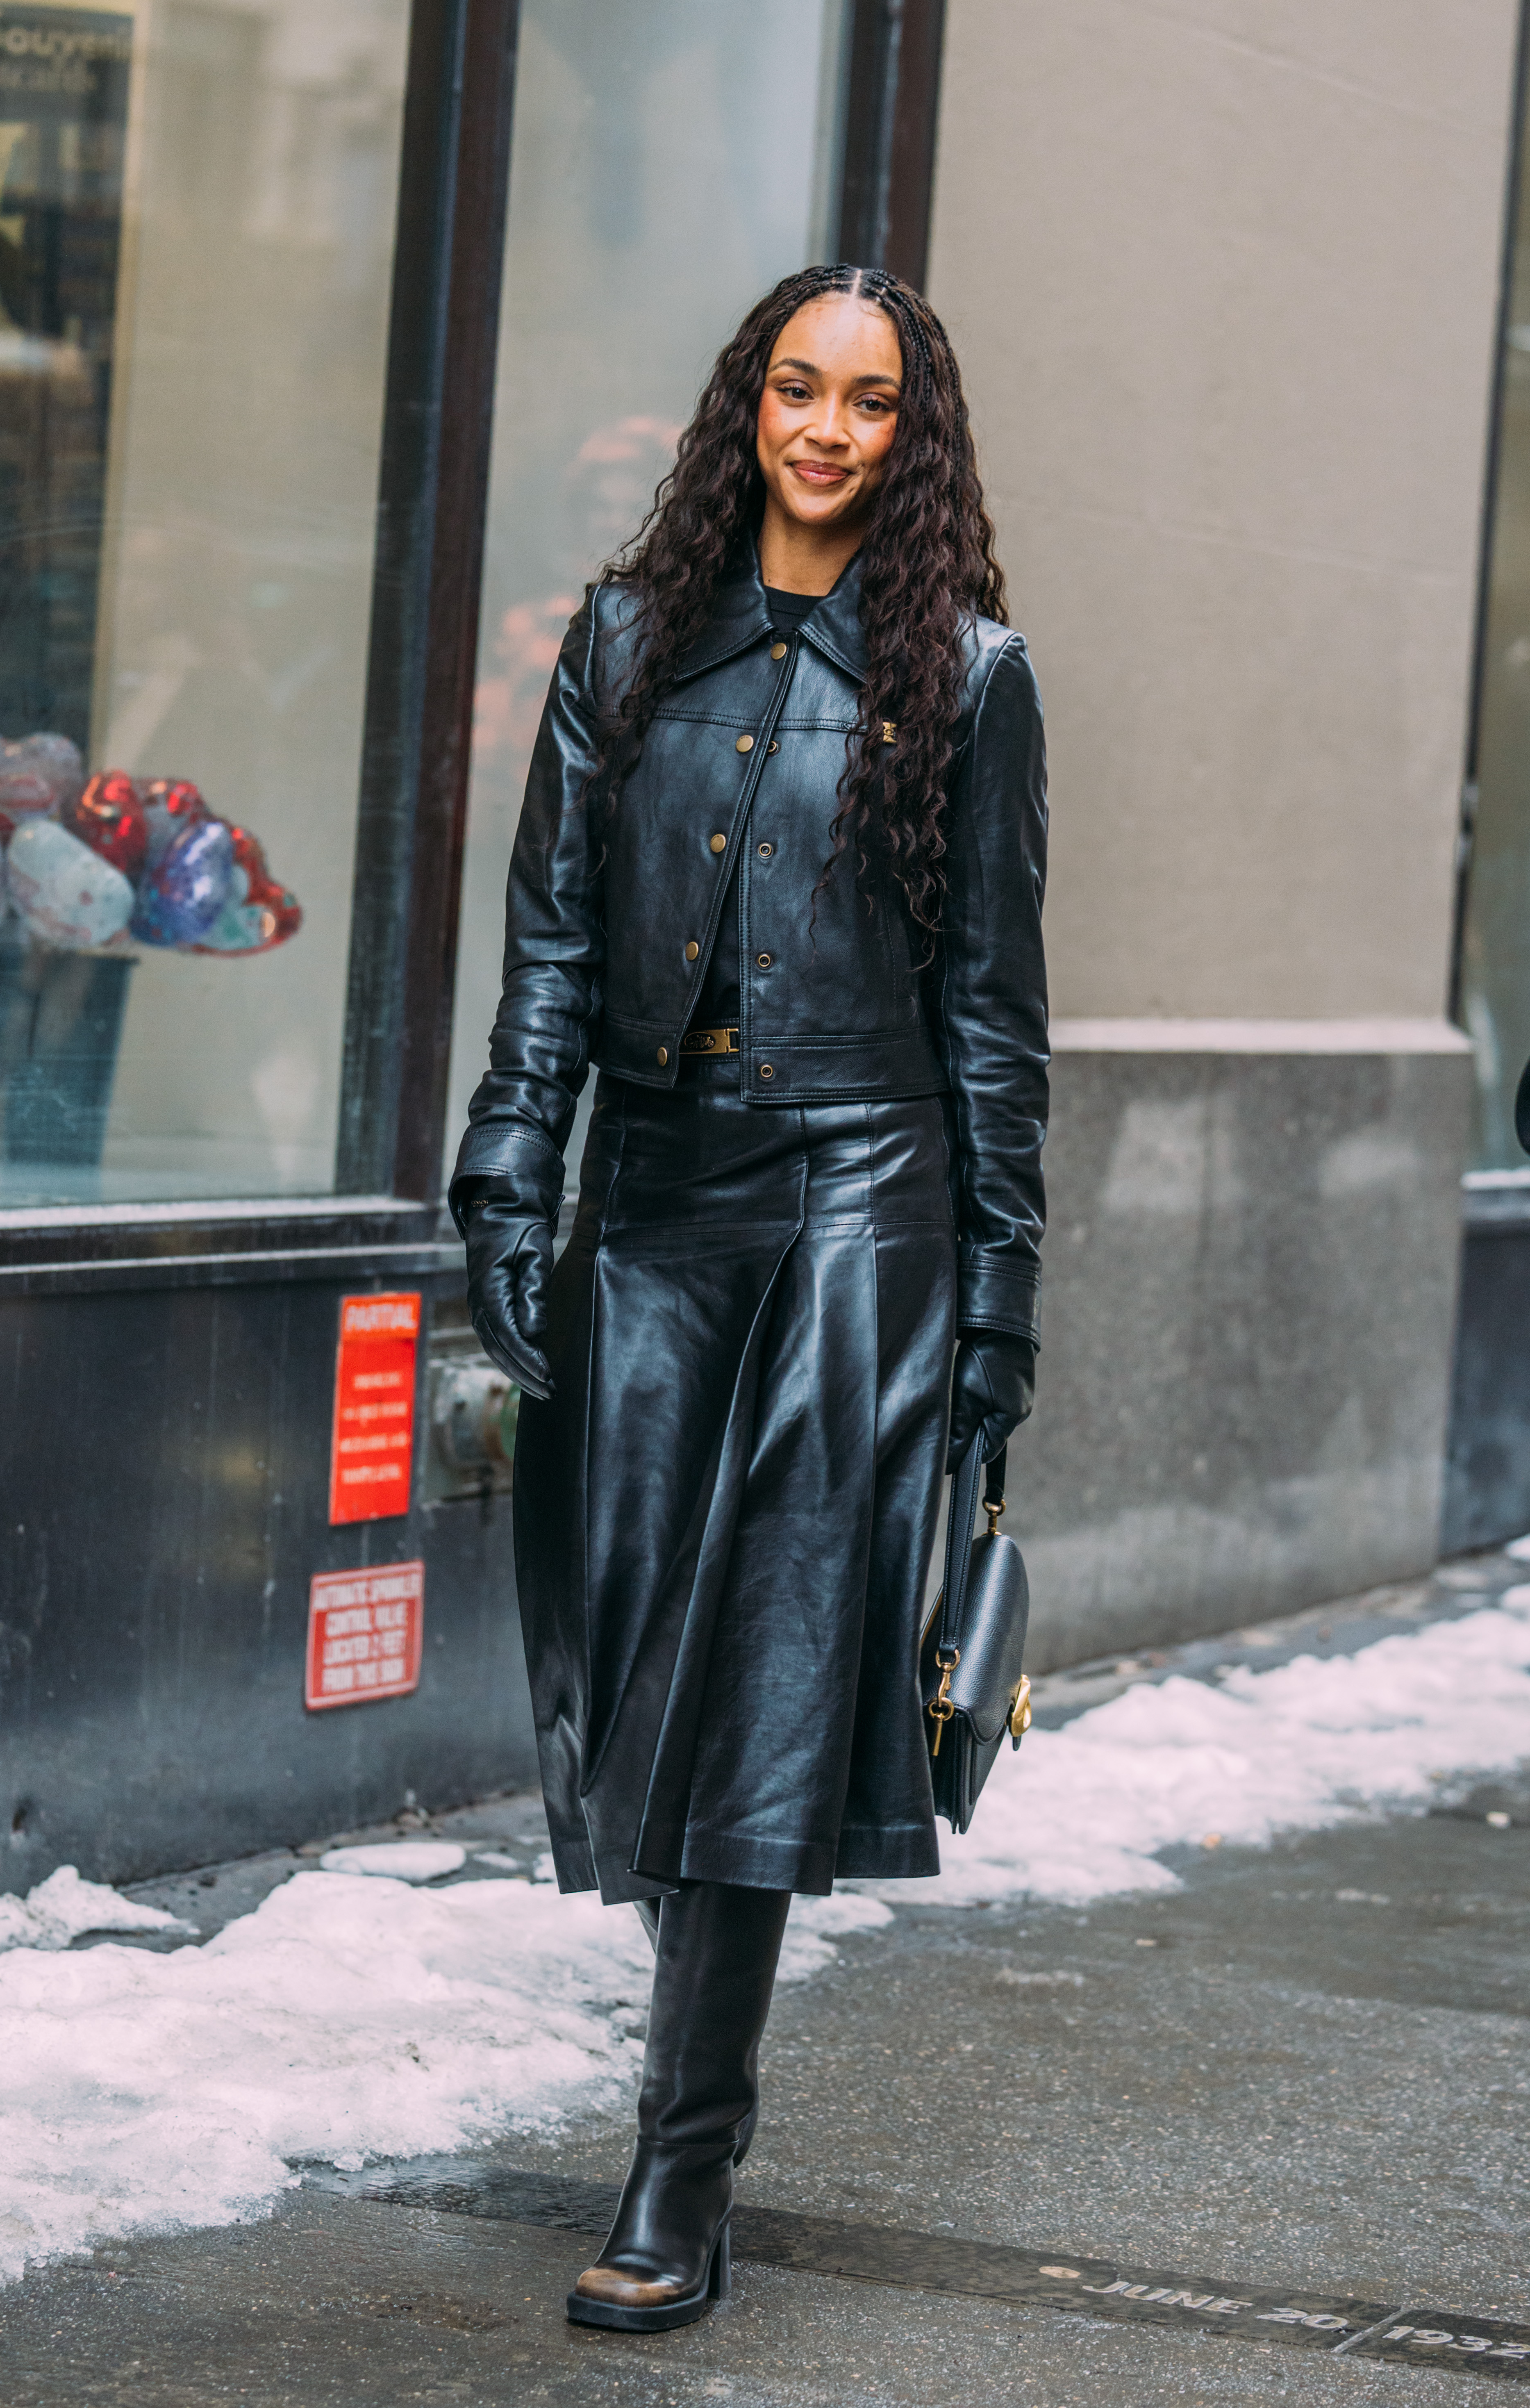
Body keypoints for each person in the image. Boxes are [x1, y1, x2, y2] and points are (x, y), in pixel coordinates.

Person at [449, 262, 1048, 2333]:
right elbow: (542, 949)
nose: (825, 427)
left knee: (761, 1691)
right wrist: (507, 1171)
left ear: (911, 435)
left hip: (863, 1209)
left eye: (868, 402)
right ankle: (688, 2063)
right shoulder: (617, 642)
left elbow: (991, 1018)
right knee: (640, 1676)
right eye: (795, 387)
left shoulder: (965, 673)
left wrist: (993, 1308)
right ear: (746, 407)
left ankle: (674, 2163)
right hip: (654, 1205)